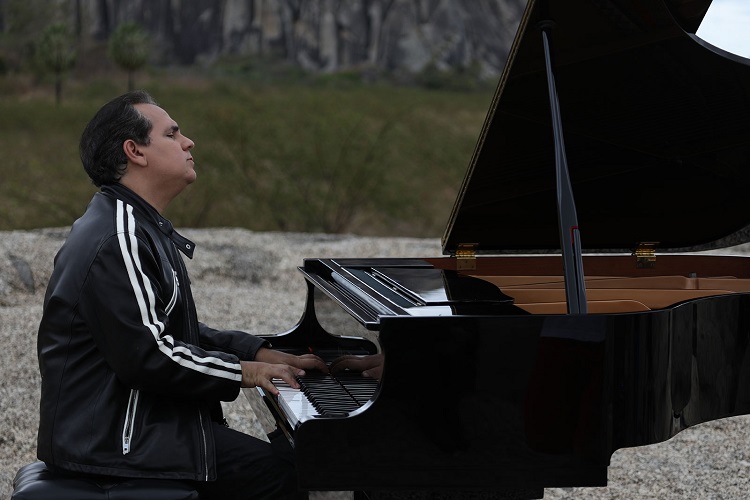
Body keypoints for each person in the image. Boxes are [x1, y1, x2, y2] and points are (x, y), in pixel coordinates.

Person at [36, 90, 327, 499]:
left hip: (131, 425)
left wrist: (257, 351)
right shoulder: (119, 237)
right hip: (115, 441)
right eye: (172, 134)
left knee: (288, 463)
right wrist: (245, 372)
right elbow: (149, 356)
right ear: (135, 151)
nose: (188, 142)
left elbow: (169, 330)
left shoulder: (137, 224)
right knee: (287, 474)